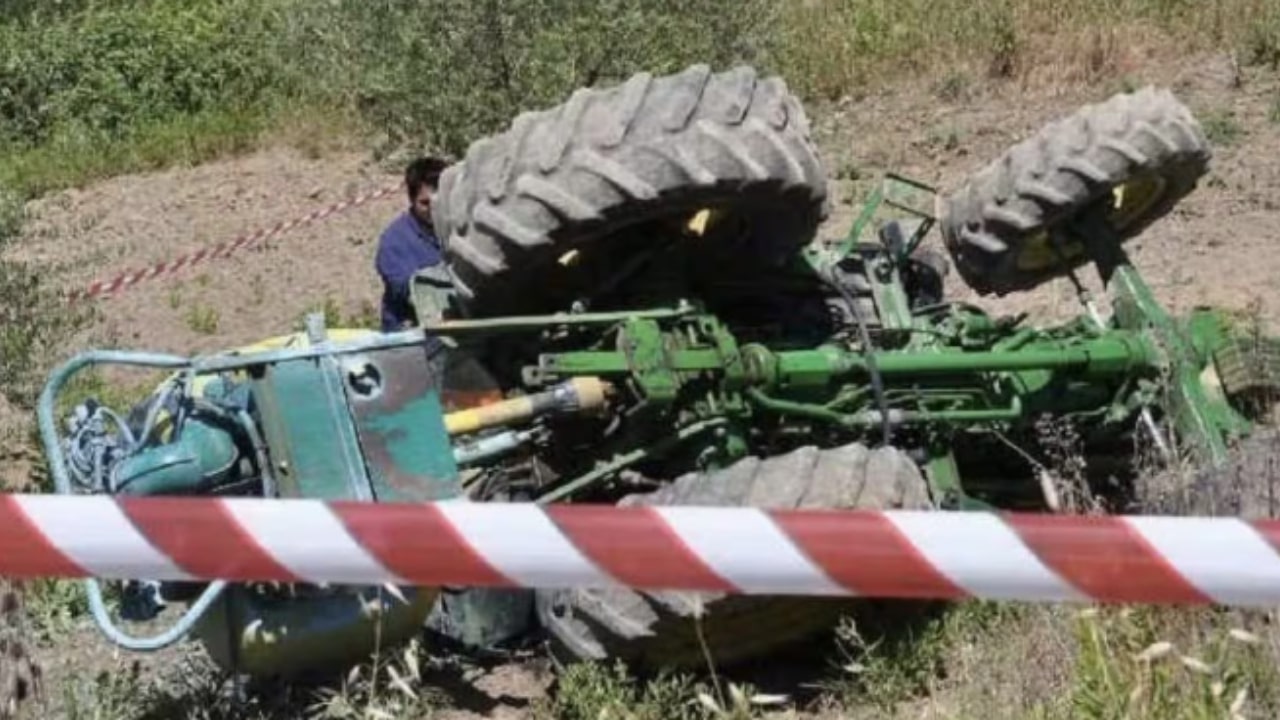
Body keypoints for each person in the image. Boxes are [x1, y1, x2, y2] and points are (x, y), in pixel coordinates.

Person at [375, 156, 450, 332]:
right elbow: (407, 290)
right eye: (425, 203)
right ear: (411, 199)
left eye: (439, 201)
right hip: (410, 336)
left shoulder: (463, 230)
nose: (433, 209)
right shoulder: (394, 241)